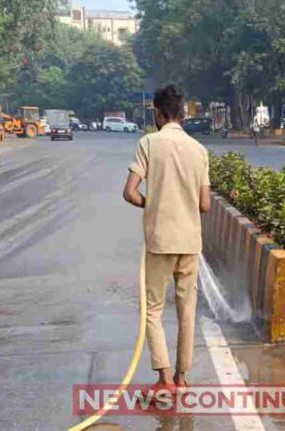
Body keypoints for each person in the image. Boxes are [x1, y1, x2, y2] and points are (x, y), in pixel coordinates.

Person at [123, 84, 211, 396]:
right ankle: (182, 377)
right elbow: (204, 205)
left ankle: (163, 379)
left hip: (160, 241)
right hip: (190, 242)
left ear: (158, 114)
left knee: (153, 310)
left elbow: (130, 192)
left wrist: (153, 202)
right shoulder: (199, 151)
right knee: (187, 311)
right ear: (183, 115)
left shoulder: (149, 143)